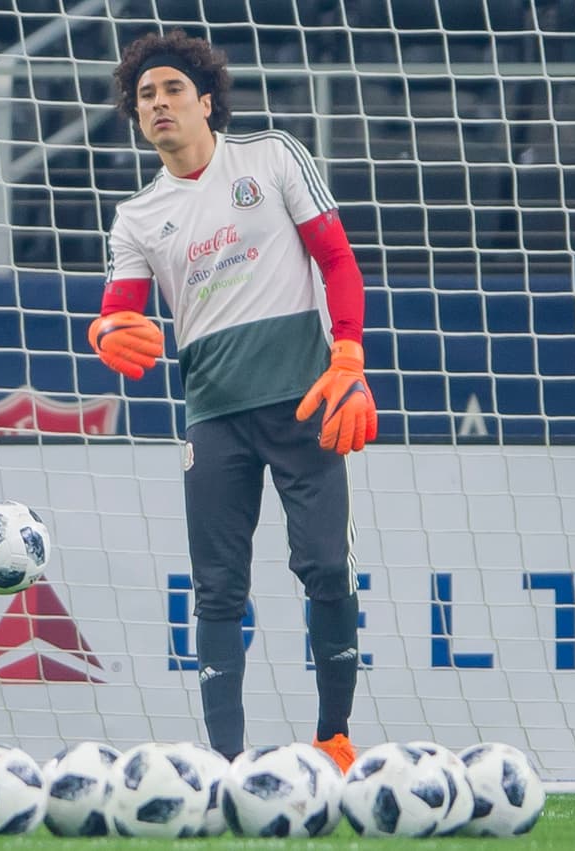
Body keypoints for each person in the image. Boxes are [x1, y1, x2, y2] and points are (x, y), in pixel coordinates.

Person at [88, 29, 378, 772]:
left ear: (207, 101)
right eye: (146, 95)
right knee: (218, 587)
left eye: (172, 90)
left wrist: (348, 353)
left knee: (325, 568)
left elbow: (337, 258)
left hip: (306, 398)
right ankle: (223, 760)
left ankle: (334, 739)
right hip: (213, 412)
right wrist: (107, 330)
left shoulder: (272, 156)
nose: (158, 103)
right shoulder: (137, 217)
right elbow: (120, 308)